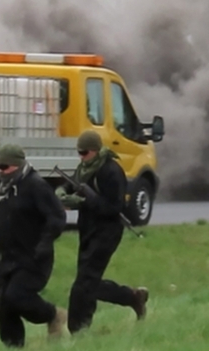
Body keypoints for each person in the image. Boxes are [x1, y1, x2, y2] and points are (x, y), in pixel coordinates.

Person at [56, 130, 148, 333]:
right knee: (90, 282)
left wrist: (84, 201)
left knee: (83, 284)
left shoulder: (111, 171)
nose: (81, 156)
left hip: (107, 232)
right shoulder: (85, 168)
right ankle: (133, 297)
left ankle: (78, 330)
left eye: (84, 152)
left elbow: (114, 208)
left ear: (96, 151)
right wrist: (62, 193)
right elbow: (70, 184)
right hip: (88, 230)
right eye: (79, 152)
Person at [0, 143, 68, 347]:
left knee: (17, 296)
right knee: (4, 308)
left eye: (5, 166)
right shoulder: (6, 189)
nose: (1, 171)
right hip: (9, 258)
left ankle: (53, 315)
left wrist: (46, 242)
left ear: (18, 165)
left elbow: (57, 216)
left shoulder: (36, 186)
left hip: (34, 258)